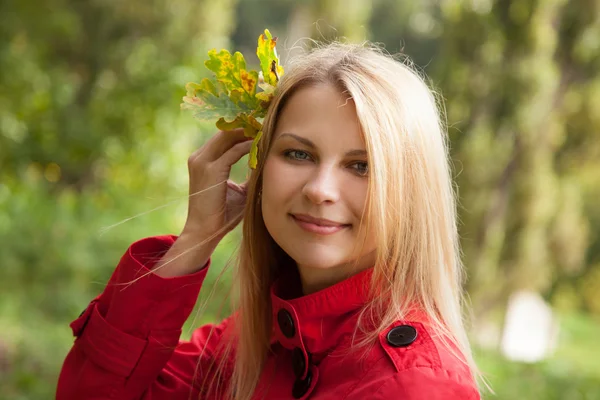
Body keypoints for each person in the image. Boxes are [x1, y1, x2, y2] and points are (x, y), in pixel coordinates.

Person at [57, 42, 483, 399]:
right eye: (299, 154)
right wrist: (195, 240)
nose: (320, 189)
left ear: (413, 192)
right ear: (258, 168)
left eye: (362, 166)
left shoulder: (414, 384)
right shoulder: (256, 342)